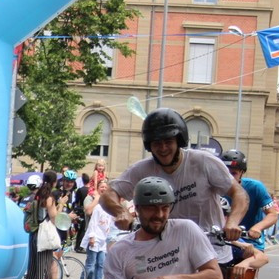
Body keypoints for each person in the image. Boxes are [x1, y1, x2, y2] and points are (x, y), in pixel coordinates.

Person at [100, 108, 247, 265]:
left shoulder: (203, 162)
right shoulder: (142, 170)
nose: (163, 148)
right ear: (149, 145)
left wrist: (232, 222)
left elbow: (239, 193)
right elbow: (108, 194)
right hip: (166, 255)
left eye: (168, 142)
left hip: (211, 250)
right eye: (157, 143)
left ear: (179, 141)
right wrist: (121, 212)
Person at [94, 176, 222, 279]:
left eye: (165, 208)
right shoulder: (121, 248)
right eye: (151, 208)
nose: (159, 215)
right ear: (137, 208)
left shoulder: (186, 229)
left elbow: (216, 277)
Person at [220, 150, 277, 251]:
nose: (229, 178)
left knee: (248, 264)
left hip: (249, 240)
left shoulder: (256, 187)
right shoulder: (212, 188)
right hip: (220, 240)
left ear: (242, 173)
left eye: (234, 173)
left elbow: (272, 214)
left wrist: (257, 228)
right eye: (225, 173)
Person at [79, 180, 114, 279]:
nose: (104, 189)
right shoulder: (97, 205)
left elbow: (110, 222)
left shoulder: (108, 206)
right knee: (91, 264)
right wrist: (92, 237)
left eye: (105, 187)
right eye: (101, 186)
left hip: (103, 240)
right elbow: (93, 222)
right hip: (94, 238)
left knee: (101, 264)